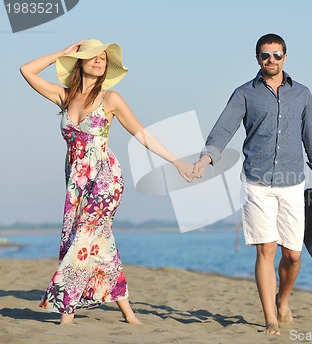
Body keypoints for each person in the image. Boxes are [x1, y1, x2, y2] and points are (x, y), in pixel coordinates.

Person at [20, 39, 194, 325]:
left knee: (82, 239)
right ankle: (128, 313)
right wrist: (62, 54)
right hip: (76, 180)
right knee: (98, 243)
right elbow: (26, 70)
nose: (100, 61)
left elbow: (142, 133)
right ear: (81, 61)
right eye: (93, 56)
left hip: (105, 178)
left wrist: (176, 161)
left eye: (103, 58)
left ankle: (66, 312)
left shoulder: (110, 98)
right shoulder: (64, 97)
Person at [193, 33, 312, 335]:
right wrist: (206, 160)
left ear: (285, 57)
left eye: (277, 54)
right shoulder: (245, 93)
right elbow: (223, 131)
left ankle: (283, 300)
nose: (271, 59)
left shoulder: (303, 94)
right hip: (257, 183)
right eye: (265, 54)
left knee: (293, 254)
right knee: (265, 251)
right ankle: (270, 317)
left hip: (293, 183)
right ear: (257, 58)